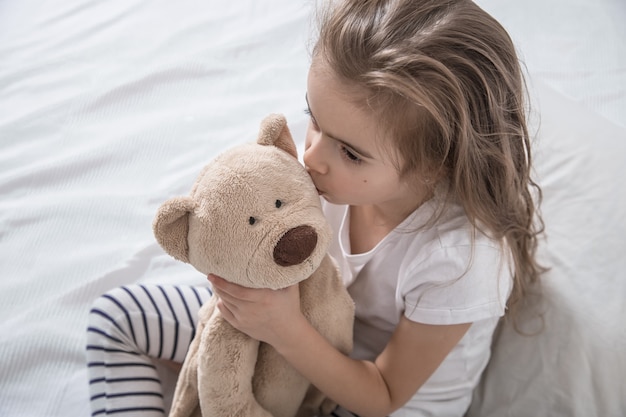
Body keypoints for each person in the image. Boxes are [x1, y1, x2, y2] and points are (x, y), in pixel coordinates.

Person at [86, 0, 545, 416]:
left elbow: (383, 396)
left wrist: (282, 329)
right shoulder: (333, 169)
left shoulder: (460, 259)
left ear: (435, 166)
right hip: (300, 327)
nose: (312, 158)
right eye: (314, 119)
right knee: (116, 318)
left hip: (368, 392)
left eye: (349, 152)